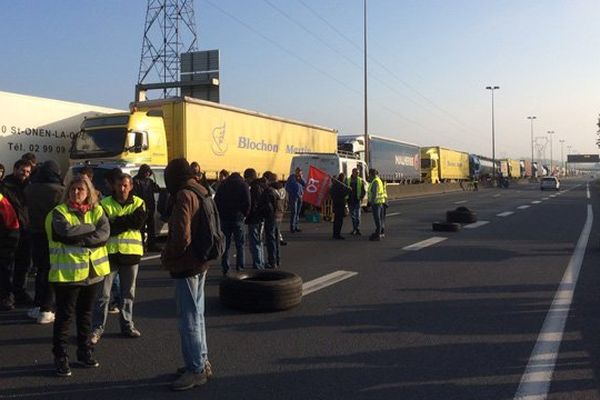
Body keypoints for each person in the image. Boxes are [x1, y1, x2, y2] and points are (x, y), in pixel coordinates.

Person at [46, 174, 110, 376]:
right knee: (64, 317)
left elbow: (104, 234)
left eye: (80, 190)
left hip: (92, 273)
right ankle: (60, 356)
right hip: (67, 274)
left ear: (88, 192)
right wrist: (91, 229)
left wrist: (82, 237)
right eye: (72, 189)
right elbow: (65, 232)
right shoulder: (59, 212)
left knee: (85, 315)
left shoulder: (97, 210)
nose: (76, 193)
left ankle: (84, 351)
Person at [161, 158, 213, 391]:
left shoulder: (183, 195)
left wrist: (168, 255)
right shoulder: (201, 190)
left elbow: (181, 236)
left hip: (187, 263)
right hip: (201, 260)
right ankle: (201, 361)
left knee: (188, 319)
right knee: (198, 314)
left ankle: (195, 369)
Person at [91, 173, 146, 344]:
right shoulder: (104, 204)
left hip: (131, 254)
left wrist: (117, 222)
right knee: (103, 295)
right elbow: (105, 228)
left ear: (130, 187)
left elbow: (137, 222)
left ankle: (127, 325)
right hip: (109, 254)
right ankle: (97, 328)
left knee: (128, 293)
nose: (122, 189)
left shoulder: (139, 203)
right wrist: (125, 222)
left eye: (125, 185)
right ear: (114, 186)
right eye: (119, 185)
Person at [24, 160, 65, 324]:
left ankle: (37, 305)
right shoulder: (59, 191)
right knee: (52, 270)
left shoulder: (30, 189)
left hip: (35, 232)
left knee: (41, 269)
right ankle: (46, 309)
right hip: (53, 234)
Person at [0, 159, 33, 310]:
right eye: (22, 171)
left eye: (28, 172)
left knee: (23, 265)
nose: (25, 174)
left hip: (25, 232)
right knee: (6, 266)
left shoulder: (30, 187)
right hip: (8, 233)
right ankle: (7, 296)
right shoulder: (4, 187)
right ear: (15, 169)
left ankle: (20, 293)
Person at [214, 171, 250, 275]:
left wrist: (220, 214)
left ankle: (225, 267)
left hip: (225, 218)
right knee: (240, 245)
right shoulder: (243, 185)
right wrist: (244, 214)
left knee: (226, 245)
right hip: (238, 218)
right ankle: (240, 267)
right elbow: (248, 202)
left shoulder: (223, 185)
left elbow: (216, 201)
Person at [133, 164, 161, 251]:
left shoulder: (149, 181)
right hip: (141, 207)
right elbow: (135, 195)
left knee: (151, 227)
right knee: (141, 228)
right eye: (146, 172)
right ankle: (141, 245)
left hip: (150, 206)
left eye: (149, 172)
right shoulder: (136, 181)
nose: (147, 174)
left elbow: (157, 189)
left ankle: (151, 245)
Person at [0, 190, 20, 312]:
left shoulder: (2, 201)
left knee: (4, 271)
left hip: (5, 239)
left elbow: (12, 224)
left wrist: (9, 244)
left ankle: (7, 297)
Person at [244, 168, 266, 269]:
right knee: (259, 241)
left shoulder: (254, 188)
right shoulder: (261, 186)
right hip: (261, 217)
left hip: (254, 218)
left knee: (254, 242)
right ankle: (260, 262)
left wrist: (248, 215)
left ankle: (257, 264)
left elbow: (253, 205)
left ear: (249, 178)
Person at [260, 171, 281, 268]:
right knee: (276, 239)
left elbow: (267, 206)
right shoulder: (281, 189)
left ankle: (272, 261)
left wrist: (263, 213)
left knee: (270, 239)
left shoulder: (269, 191)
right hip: (278, 216)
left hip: (270, 217)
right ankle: (277, 259)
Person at [330, 173, 352, 240]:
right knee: (339, 221)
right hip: (340, 204)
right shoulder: (340, 185)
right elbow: (342, 194)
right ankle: (337, 234)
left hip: (336, 204)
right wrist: (349, 190)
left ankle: (335, 234)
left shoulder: (334, 185)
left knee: (336, 220)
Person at [368, 169, 388, 241]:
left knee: (377, 219)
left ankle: (378, 235)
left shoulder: (375, 181)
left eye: (369, 174)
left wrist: (371, 202)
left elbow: (374, 193)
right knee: (379, 219)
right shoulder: (378, 180)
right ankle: (378, 233)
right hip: (380, 202)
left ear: (371, 174)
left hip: (376, 203)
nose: (368, 176)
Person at [346, 168, 366, 235]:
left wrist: (361, 197)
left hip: (357, 200)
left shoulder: (360, 180)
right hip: (350, 200)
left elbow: (363, 191)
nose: (357, 174)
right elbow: (345, 189)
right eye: (356, 172)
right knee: (353, 216)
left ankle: (357, 229)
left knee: (358, 216)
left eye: (358, 172)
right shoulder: (348, 180)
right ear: (353, 172)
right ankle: (355, 229)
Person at [285, 167, 305, 233]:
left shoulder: (301, 178)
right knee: (294, 212)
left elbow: (305, 184)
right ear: (295, 172)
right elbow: (287, 187)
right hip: (293, 197)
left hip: (300, 196)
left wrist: (301, 178)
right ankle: (292, 227)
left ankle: (296, 226)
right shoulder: (291, 177)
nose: (298, 173)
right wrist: (292, 193)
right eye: (297, 171)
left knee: (298, 213)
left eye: (300, 172)